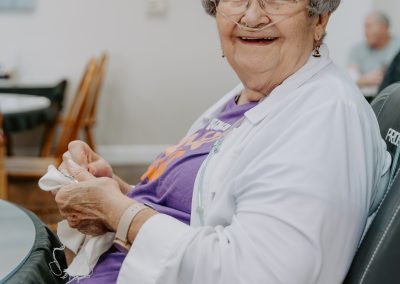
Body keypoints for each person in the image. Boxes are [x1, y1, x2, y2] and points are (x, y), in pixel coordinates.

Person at [54, 0, 391, 283]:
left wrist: (119, 213)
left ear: (319, 18)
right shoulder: (251, 95)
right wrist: (111, 193)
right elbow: (193, 209)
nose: (253, 16)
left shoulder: (325, 119)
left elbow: (261, 274)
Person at [347, 10, 400, 88]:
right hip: (366, 96)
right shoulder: (357, 50)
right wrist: (365, 80)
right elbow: (350, 77)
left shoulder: (398, 46)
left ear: (384, 28)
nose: (365, 31)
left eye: (369, 26)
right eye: (365, 27)